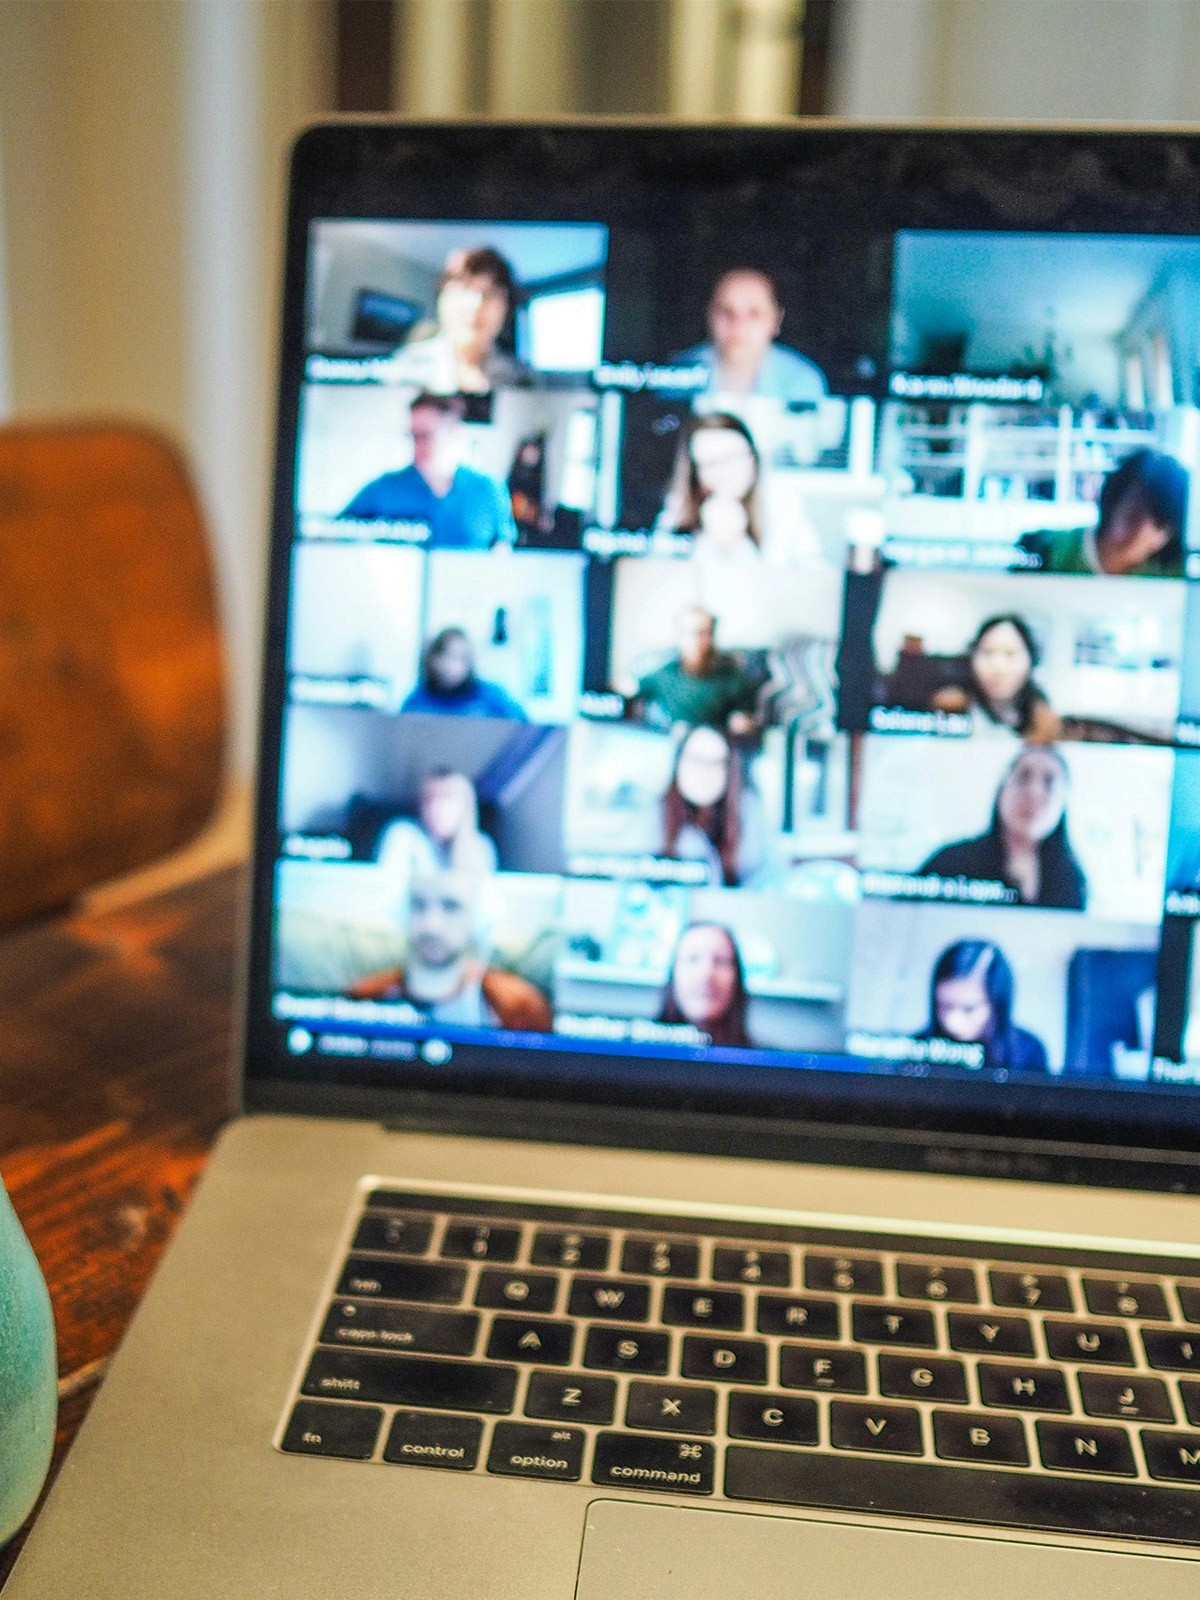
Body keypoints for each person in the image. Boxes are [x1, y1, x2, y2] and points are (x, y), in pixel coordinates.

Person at [348, 870, 552, 1030]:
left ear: (478, 917)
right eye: (418, 905)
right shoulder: (366, 996)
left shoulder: (520, 1007)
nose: (431, 925)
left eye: (451, 906)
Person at [919, 743, 1087, 910]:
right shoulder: (949, 863)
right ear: (1002, 789)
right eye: (1022, 778)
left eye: (1049, 783)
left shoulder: (1072, 881)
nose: (1034, 793)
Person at [339, 392, 518, 547]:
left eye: (426, 436)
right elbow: (335, 537)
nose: (417, 445)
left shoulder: (488, 489)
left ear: (453, 433)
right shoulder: (383, 489)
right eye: (413, 436)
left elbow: (501, 551)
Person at [384, 246, 534, 393]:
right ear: (441, 299)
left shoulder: (524, 381)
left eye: (490, 293)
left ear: (507, 308)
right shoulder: (400, 371)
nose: (476, 304)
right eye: (465, 288)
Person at [1017, 448, 1188, 578]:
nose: (1141, 525)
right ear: (1113, 497)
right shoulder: (1046, 549)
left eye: (1157, 521)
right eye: (1134, 507)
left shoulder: (1174, 577)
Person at [671, 267, 828, 401]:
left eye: (754, 313)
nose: (738, 325)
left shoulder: (802, 380)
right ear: (709, 316)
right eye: (726, 311)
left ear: (776, 320)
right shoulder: (675, 374)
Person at [660, 724, 766, 887]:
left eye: (716, 763)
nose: (705, 771)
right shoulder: (654, 817)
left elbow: (768, 883)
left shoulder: (748, 816)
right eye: (697, 759)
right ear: (678, 764)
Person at [919, 940, 1048, 1072]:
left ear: (997, 1005)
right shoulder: (916, 1048)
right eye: (944, 1006)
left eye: (969, 1009)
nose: (952, 1021)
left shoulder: (1029, 1050)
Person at [931, 615, 1061, 740]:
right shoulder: (951, 705)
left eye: (1010, 654)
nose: (998, 666)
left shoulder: (1042, 718)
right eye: (988, 652)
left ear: (1031, 660)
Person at [634, 606, 759, 734]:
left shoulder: (733, 679)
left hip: (715, 744)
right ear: (680, 637)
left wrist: (741, 722)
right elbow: (629, 688)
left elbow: (746, 715)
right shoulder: (663, 676)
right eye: (694, 633)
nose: (700, 641)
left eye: (707, 633)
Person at [659, 413, 763, 560]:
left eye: (732, 458)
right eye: (711, 463)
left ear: (753, 458)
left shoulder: (787, 510)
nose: (723, 471)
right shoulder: (674, 516)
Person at [376, 769, 498, 877]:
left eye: (446, 797)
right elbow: (389, 888)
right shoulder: (403, 834)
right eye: (428, 798)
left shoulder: (481, 846)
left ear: (466, 806)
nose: (435, 807)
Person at [658, 922, 753, 1048]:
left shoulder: (767, 1061)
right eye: (693, 959)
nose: (706, 974)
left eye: (720, 960)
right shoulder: (636, 1050)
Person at [401, 627, 526, 720]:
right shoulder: (417, 700)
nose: (451, 666)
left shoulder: (493, 696)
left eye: (461, 658)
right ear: (433, 659)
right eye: (446, 655)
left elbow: (526, 729)